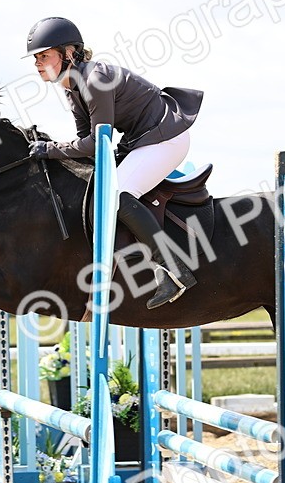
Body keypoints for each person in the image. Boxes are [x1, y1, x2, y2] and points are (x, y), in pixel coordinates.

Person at [24, 16, 204, 310]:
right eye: (36, 58)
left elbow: (97, 142)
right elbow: (87, 145)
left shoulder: (95, 79)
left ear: (69, 53)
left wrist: (49, 148)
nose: (37, 63)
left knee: (118, 196)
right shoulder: (72, 90)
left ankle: (173, 268)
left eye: (44, 56)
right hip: (142, 139)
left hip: (167, 137)